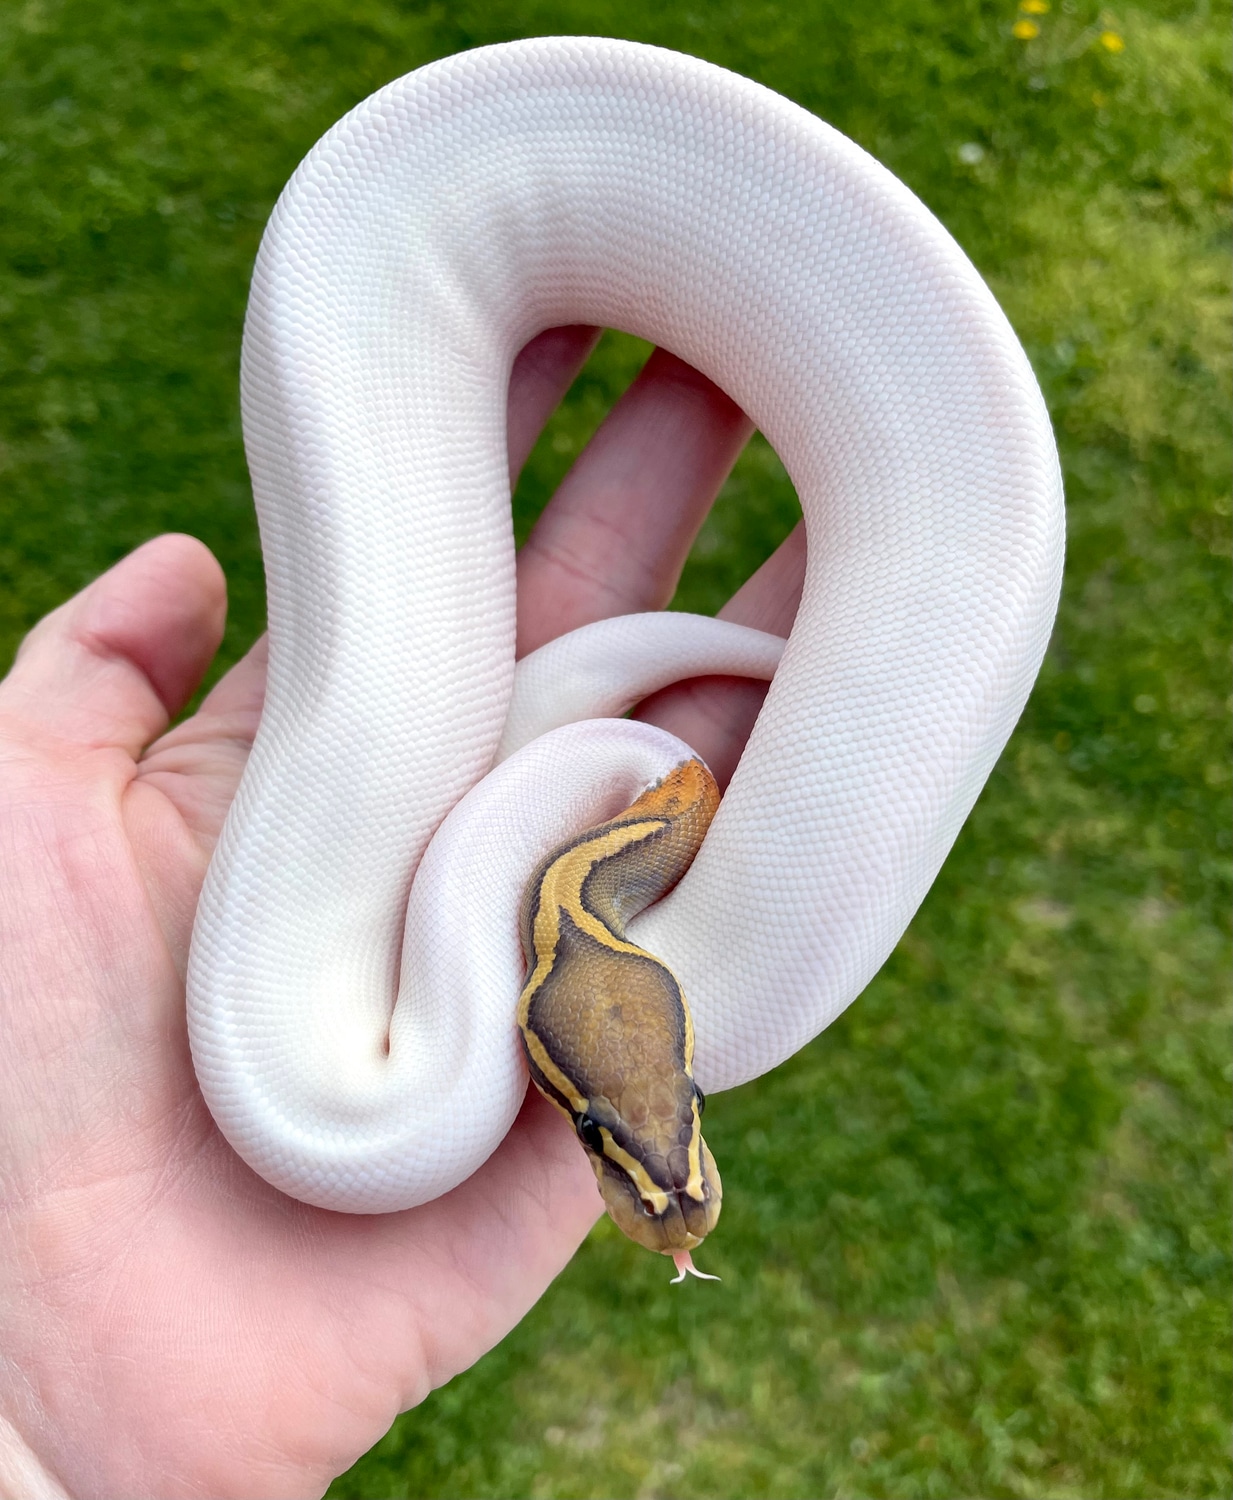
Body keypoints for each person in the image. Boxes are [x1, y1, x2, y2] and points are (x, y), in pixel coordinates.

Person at [0, 328, 804, 1499]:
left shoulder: (561, 927)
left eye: (619, 1132)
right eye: (604, 1133)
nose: (676, 1193)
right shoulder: (443, 1044)